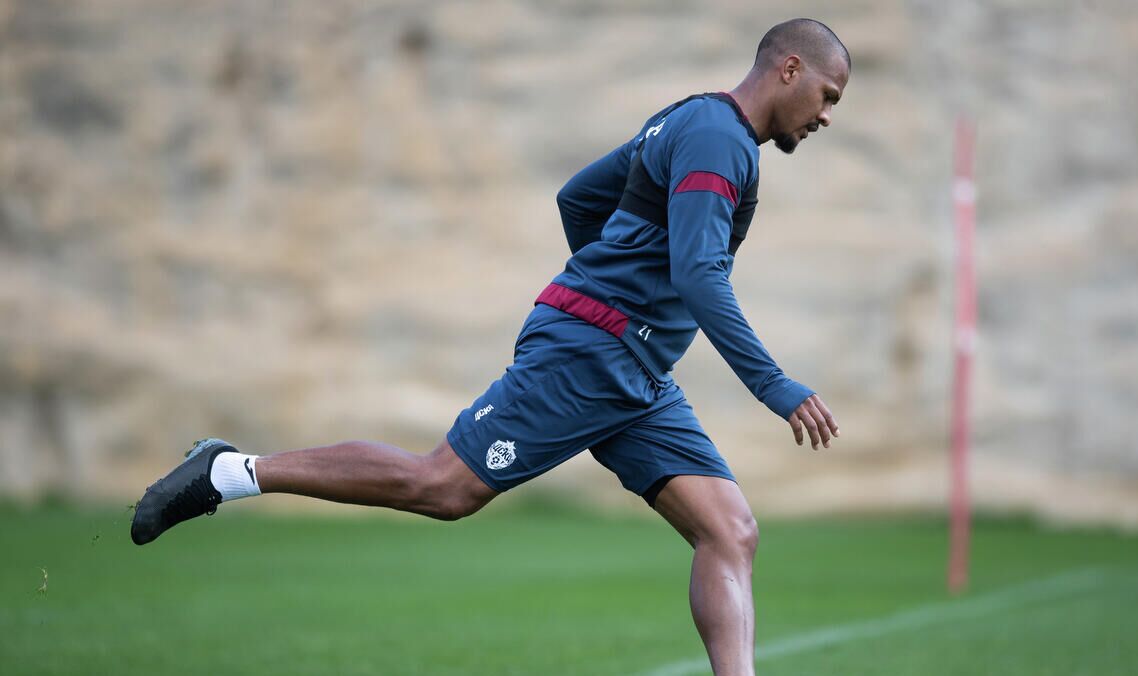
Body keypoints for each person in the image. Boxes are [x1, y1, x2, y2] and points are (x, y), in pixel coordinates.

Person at [132, 17, 849, 676]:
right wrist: (773, 385)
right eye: (826, 94)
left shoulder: (687, 119)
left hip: (633, 369)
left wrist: (611, 291)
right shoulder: (719, 139)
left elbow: (579, 198)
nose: (824, 115)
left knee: (730, 530)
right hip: (593, 353)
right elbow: (696, 272)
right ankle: (230, 470)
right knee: (440, 487)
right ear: (788, 68)